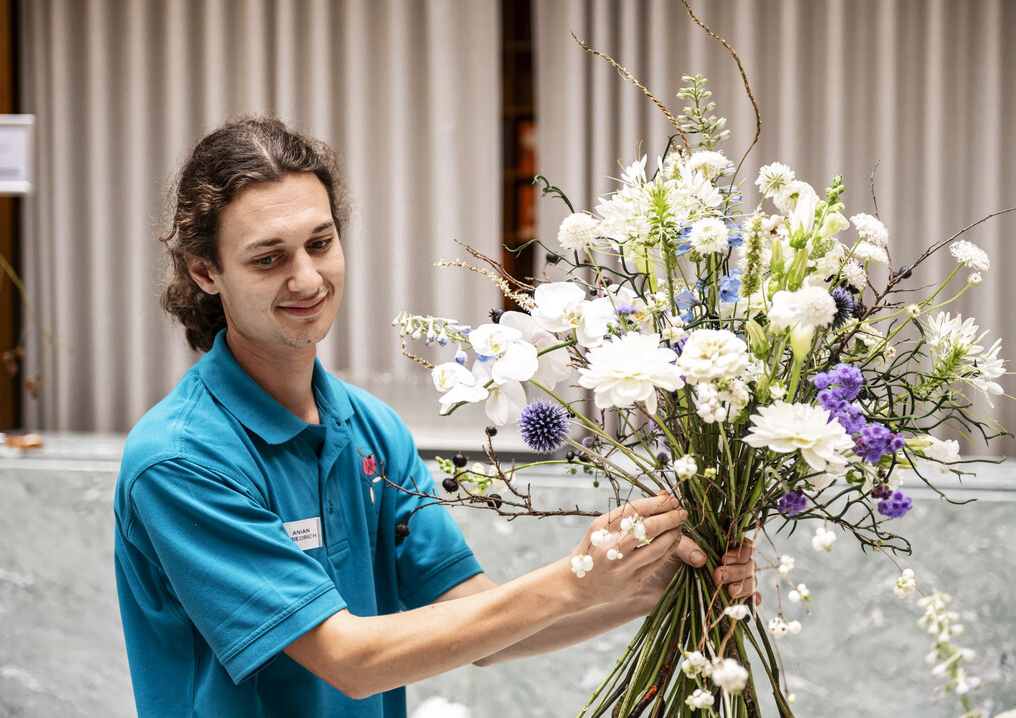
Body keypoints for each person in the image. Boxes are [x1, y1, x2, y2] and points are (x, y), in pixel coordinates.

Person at [113, 115, 757, 717]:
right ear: (205, 271)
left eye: (320, 242)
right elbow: (350, 659)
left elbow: (478, 624)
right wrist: (575, 579)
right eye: (268, 257)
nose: (307, 278)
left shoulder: (369, 429)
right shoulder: (181, 461)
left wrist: (654, 583)